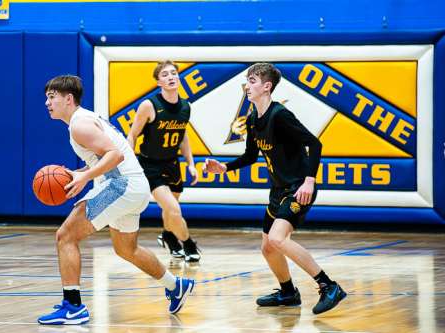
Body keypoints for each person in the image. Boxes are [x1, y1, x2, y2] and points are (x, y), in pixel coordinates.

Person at [38, 75, 194, 325]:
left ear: (68, 99)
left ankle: (73, 306)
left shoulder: (80, 124)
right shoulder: (84, 120)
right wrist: (77, 174)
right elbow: (104, 160)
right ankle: (176, 286)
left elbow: (115, 156)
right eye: (47, 97)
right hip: (133, 186)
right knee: (126, 249)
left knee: (65, 236)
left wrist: (85, 177)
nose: (47, 102)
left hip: (122, 186)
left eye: (52, 97)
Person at [204, 63, 346, 314]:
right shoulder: (251, 119)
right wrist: (224, 168)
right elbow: (250, 156)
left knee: (278, 238)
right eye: (247, 80)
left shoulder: (280, 115)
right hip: (278, 190)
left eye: (253, 81)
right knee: (268, 247)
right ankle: (288, 292)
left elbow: (315, 144)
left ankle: (329, 286)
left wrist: (309, 180)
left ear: (267, 86)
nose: (247, 85)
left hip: (298, 187)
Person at [126, 60, 201, 262]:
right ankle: (189, 244)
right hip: (151, 165)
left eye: (173, 73)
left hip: (173, 164)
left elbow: (183, 136)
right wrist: (129, 162)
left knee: (171, 210)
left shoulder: (186, 106)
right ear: (159, 82)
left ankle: (168, 236)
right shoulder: (149, 105)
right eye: (165, 75)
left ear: (178, 77)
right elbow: (132, 135)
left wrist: (191, 164)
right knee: (174, 209)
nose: (170, 77)